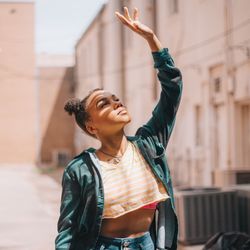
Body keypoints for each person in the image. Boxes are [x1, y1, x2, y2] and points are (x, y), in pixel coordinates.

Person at [55, 6, 183, 250]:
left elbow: (172, 91)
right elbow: (67, 229)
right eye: (104, 104)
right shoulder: (79, 169)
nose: (116, 102)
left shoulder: (149, 145)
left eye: (115, 98)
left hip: (148, 244)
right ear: (92, 127)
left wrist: (151, 39)